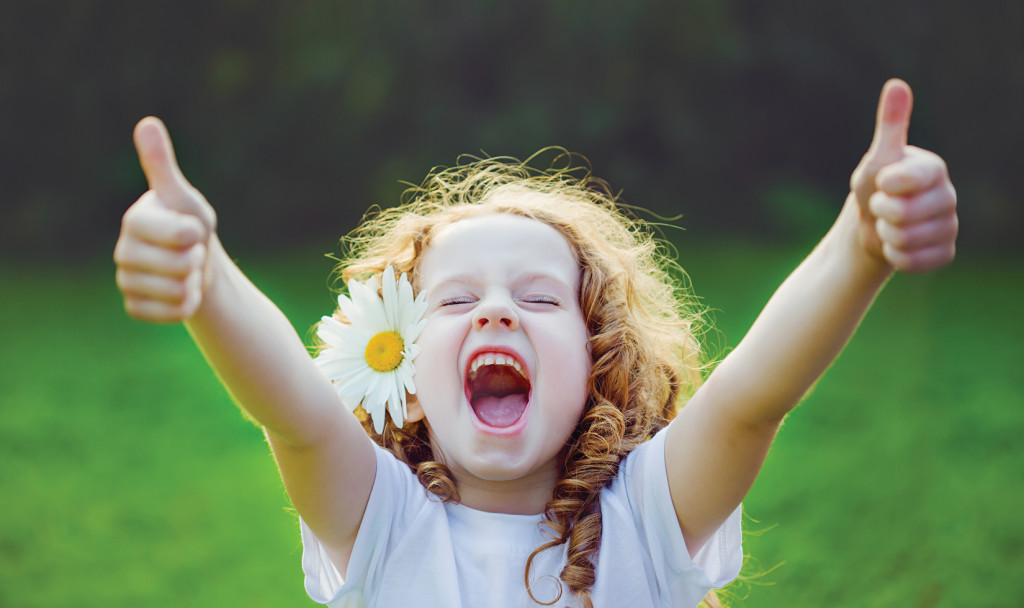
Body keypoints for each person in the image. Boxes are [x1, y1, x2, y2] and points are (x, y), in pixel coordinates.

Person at [113, 78, 958, 607]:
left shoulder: (647, 521)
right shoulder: (386, 527)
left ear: (598, 360)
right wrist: (207, 279)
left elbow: (750, 399)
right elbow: (294, 412)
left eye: (540, 297)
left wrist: (860, 246)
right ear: (401, 368)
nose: (495, 312)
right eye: (454, 299)